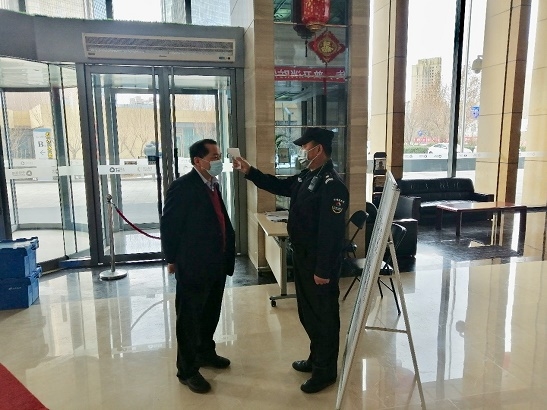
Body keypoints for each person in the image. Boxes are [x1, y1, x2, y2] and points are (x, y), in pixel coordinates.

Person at [234, 127, 349, 393]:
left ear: (318, 149)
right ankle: (315, 358)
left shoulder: (332, 185)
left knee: (323, 317)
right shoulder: (309, 175)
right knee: (308, 313)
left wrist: (323, 270)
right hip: (304, 258)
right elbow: (280, 186)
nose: (302, 151)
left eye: (305, 146)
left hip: (319, 264)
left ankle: (325, 371)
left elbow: (331, 234)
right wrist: (250, 171)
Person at [160, 139, 236, 394]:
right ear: (198, 161)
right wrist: (172, 259)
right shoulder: (182, 187)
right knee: (189, 320)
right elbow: (169, 226)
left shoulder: (213, 184)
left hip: (216, 263)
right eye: (214, 157)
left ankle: (205, 352)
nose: (218, 161)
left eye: (219, 156)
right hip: (193, 265)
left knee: (210, 313)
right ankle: (187, 370)